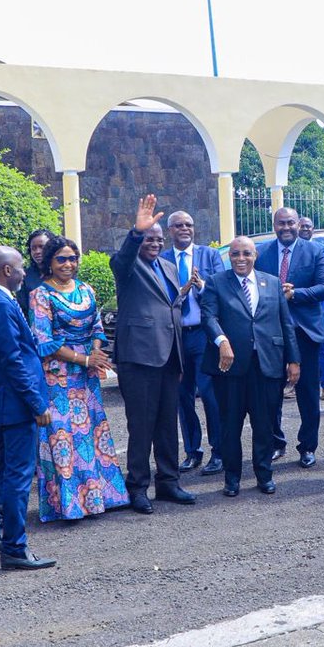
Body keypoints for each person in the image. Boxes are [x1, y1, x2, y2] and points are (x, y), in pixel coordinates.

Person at [30, 236, 129, 520]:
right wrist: (85, 359)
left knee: (91, 435)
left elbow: (97, 328)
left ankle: (98, 500)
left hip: (86, 377)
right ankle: (69, 506)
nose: (68, 264)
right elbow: (43, 341)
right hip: (57, 378)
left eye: (73, 258)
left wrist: (95, 355)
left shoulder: (86, 289)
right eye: (61, 258)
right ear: (49, 261)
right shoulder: (41, 294)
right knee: (63, 438)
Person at [109, 194, 196, 514]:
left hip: (170, 357)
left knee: (166, 425)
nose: (155, 243)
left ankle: (169, 482)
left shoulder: (170, 268)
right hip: (139, 358)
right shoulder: (128, 267)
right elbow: (122, 259)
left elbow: (173, 308)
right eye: (150, 238)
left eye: (159, 238)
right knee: (141, 426)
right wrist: (136, 231)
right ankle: (137, 487)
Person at [0, 246, 56, 570]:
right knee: (18, 477)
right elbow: (13, 361)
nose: (25, 271)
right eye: (21, 266)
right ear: (7, 271)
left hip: (6, 402)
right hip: (16, 404)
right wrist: (36, 402)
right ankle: (14, 548)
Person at [201, 236, 300, 496]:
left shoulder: (272, 282)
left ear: (255, 255)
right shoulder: (216, 282)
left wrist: (294, 360)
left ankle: (264, 474)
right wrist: (221, 341)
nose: (241, 258)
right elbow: (208, 316)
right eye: (235, 254)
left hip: (267, 365)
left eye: (246, 253)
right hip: (230, 367)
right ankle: (231, 479)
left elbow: (285, 323)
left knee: (264, 424)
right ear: (229, 257)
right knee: (230, 425)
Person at [257, 207, 324, 467]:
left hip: (305, 334)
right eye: (281, 223)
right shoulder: (262, 253)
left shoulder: (315, 251)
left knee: (308, 394)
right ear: (274, 224)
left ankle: (307, 446)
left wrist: (296, 293)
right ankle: (276, 443)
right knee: (270, 394)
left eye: (290, 222)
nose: (286, 227)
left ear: (299, 224)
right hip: (270, 334)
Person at [162, 210, 227, 477]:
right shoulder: (162, 259)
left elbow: (223, 289)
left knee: (210, 394)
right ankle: (192, 451)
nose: (184, 229)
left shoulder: (210, 256)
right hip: (175, 336)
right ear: (170, 231)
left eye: (188, 224)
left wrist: (201, 287)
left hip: (203, 334)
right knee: (182, 396)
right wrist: (180, 292)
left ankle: (219, 452)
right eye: (178, 225)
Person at [298, 215, 324, 401]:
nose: (305, 229)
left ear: (313, 229)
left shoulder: (323, 249)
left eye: (308, 226)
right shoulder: (293, 250)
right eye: (302, 226)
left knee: (322, 346)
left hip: (318, 307)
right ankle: (293, 383)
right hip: (295, 307)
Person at [16, 228, 53, 319]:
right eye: (33, 248)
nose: (37, 252)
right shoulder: (24, 276)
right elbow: (23, 310)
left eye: (42, 247)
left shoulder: (61, 273)